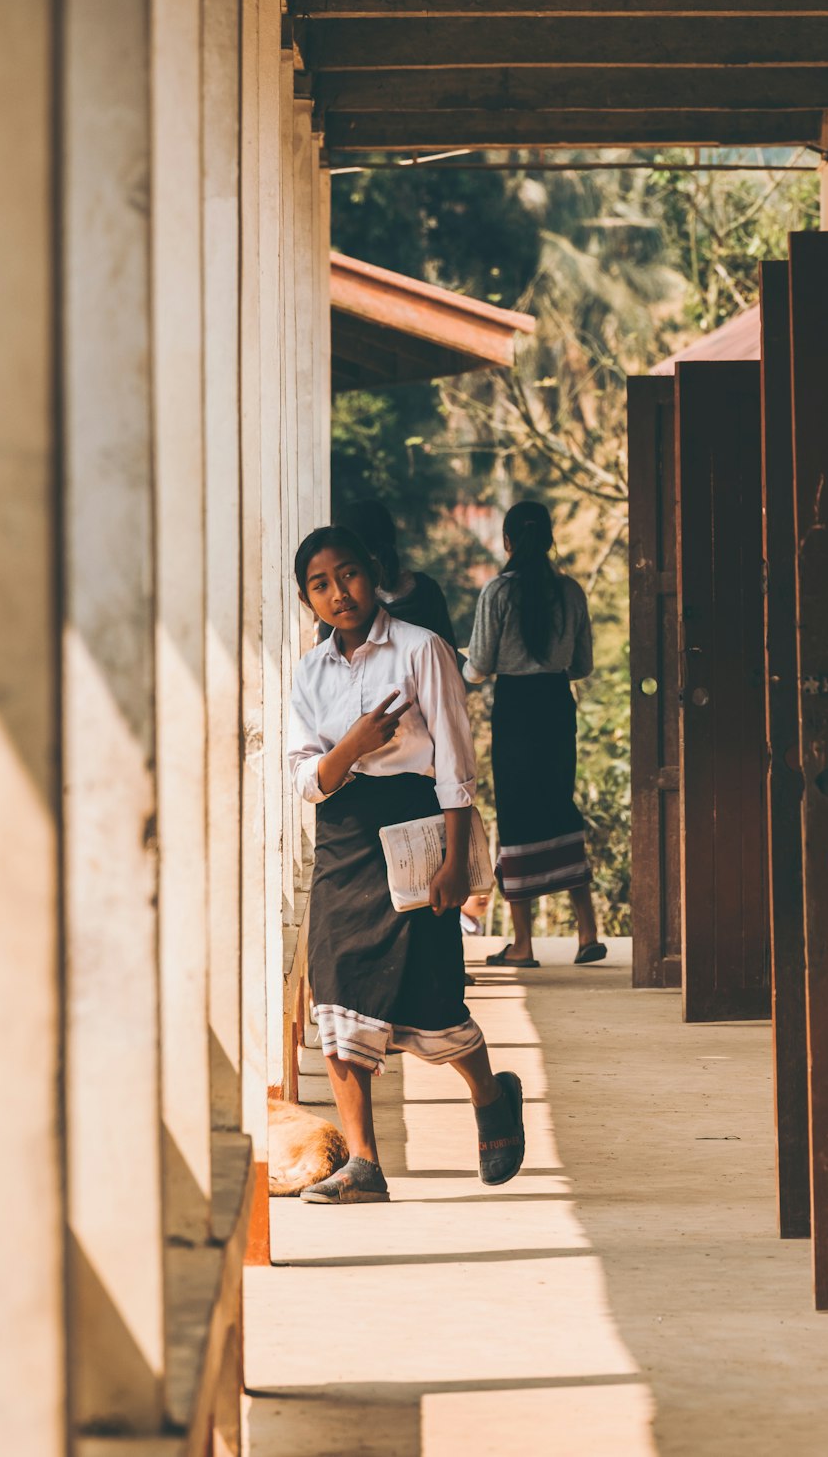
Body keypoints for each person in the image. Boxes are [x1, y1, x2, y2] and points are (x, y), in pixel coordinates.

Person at [288, 525, 525, 1204]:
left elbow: (454, 760)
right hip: (343, 837)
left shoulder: (423, 650)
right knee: (335, 994)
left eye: (350, 574)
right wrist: (355, 744)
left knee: (432, 999)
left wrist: (454, 860)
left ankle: (490, 1093)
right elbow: (307, 778)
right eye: (320, 584)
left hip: (416, 832)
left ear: (376, 574)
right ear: (308, 599)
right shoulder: (310, 672)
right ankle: (364, 1164)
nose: (340, 593)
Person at [464, 500, 606, 969]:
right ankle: (587, 932)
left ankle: (522, 944)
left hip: (516, 710)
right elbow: (582, 666)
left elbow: (480, 666)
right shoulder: (570, 592)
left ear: (507, 542)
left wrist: (456, 660)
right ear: (549, 539)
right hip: (556, 706)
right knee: (559, 806)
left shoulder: (498, 592)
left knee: (518, 814)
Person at [317, 498, 459, 659]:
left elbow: (325, 662)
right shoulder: (426, 589)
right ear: (392, 534)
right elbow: (449, 655)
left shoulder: (344, 599)